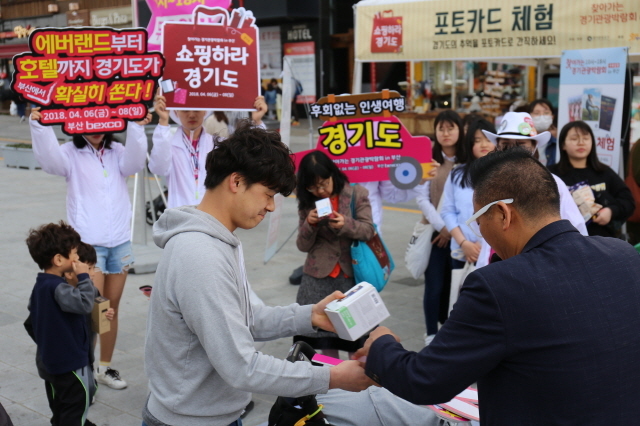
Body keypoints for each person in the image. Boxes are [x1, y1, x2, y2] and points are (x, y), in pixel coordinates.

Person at [355, 148, 640, 424]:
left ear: (503, 214)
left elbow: (425, 379)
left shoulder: (498, 285)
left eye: (478, 220)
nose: (479, 232)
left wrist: (381, 344)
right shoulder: (624, 255)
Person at [142, 123, 369, 426]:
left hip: (211, 414)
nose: (272, 207)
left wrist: (309, 316)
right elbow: (241, 366)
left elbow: (243, 321)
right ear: (236, 181)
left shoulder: (218, 241)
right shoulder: (200, 255)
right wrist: (332, 376)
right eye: (268, 193)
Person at [30, 108, 150, 390]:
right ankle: (83, 370)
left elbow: (134, 163)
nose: (97, 128)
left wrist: (136, 123)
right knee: (90, 310)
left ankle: (104, 368)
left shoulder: (117, 150)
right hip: (86, 249)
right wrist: (39, 125)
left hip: (119, 242)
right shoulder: (70, 153)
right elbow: (49, 162)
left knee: (111, 309)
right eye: (90, 120)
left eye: (104, 120)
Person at [476, 111, 587, 268]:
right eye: (506, 145)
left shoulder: (552, 182)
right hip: (495, 269)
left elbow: (577, 228)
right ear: (497, 146)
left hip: (542, 267)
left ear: (534, 147)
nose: (513, 151)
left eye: (521, 145)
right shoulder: (487, 184)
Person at [295, 150, 375, 358]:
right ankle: (331, 381)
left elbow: (368, 230)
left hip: (350, 275)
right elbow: (302, 245)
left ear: (333, 174)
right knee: (323, 337)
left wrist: (345, 224)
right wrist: (309, 225)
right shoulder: (307, 202)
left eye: (324, 183)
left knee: (355, 336)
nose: (320, 190)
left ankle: (356, 383)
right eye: (313, 186)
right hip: (317, 278)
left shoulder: (356, 194)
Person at [25, 222, 98, 426]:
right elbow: (85, 304)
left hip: (51, 363)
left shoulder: (40, 286)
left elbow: (31, 322)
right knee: (76, 404)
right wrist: (84, 276)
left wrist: (49, 341)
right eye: (74, 253)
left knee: (60, 407)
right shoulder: (58, 287)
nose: (77, 259)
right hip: (71, 364)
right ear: (59, 260)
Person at [150, 95, 268, 209]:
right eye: (185, 110)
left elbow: (255, 160)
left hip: (212, 216)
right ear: (176, 112)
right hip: (180, 217)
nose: (191, 115)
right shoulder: (168, 144)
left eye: (197, 109)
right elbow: (158, 168)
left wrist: (257, 122)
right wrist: (163, 121)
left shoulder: (219, 145)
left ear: (205, 111)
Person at [415, 110, 466, 343]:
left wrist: (451, 230)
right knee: (433, 287)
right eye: (441, 129)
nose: (446, 133)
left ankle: (450, 332)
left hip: (462, 236)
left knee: (455, 287)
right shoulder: (428, 161)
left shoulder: (467, 163)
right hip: (435, 236)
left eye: (451, 128)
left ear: (460, 130)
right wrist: (442, 227)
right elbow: (421, 198)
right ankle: (430, 334)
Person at [548, 121, 635, 238]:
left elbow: (628, 200)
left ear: (592, 143)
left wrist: (611, 211)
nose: (581, 143)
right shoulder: (551, 174)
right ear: (563, 144)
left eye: (585, 138)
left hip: (602, 240)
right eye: (574, 139)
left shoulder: (604, 172)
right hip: (563, 239)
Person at [528, 98, 558, 166]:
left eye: (546, 113)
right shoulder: (523, 142)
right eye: (536, 113)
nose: (542, 116)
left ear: (552, 117)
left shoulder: (557, 143)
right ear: (529, 117)